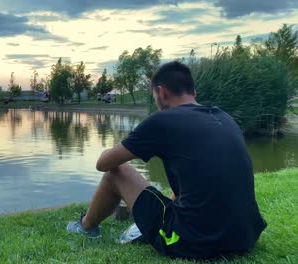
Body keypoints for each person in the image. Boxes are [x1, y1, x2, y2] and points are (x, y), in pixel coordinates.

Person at [66, 61, 267, 259]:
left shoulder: (163, 120)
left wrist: (112, 149)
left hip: (194, 242)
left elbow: (104, 164)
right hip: (245, 237)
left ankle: (85, 226)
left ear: (161, 93)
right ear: (193, 92)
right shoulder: (224, 117)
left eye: (154, 97)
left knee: (118, 172)